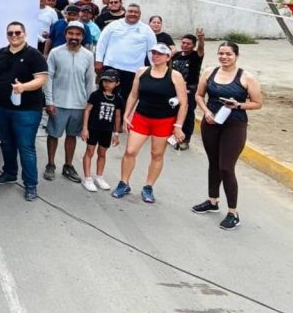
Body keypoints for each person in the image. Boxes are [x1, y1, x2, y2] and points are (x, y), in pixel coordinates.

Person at [192, 42, 263, 231]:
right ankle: (212, 201)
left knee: (226, 167)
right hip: (212, 122)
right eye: (221, 53)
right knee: (213, 163)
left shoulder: (246, 77)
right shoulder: (209, 72)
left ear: (236, 56)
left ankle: (233, 212)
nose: (224, 57)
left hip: (234, 125)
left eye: (228, 54)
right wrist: (206, 112)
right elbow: (199, 95)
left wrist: (238, 105)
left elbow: (257, 103)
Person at [111, 43, 187, 204]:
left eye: (159, 54)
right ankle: (124, 183)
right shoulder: (142, 71)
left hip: (164, 120)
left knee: (156, 154)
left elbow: (183, 103)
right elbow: (133, 95)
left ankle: (148, 186)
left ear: (168, 57)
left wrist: (178, 126)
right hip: (142, 117)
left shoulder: (175, 76)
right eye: (153, 53)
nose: (155, 56)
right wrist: (127, 114)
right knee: (130, 151)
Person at [0, 21, 48, 201]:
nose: (14, 35)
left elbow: (41, 79)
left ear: (24, 34)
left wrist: (24, 87)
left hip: (27, 110)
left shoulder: (34, 55)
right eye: (10, 33)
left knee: (26, 147)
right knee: (6, 142)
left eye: (17, 32)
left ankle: (30, 184)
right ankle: (9, 173)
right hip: (1, 107)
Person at [43, 21, 95, 183]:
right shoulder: (55, 53)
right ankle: (50, 164)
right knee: (53, 135)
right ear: (65, 34)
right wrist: (49, 101)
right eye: (71, 34)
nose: (74, 37)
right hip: (57, 103)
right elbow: (48, 78)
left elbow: (89, 81)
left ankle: (68, 165)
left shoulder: (88, 55)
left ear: (82, 36)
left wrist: (89, 105)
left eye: (78, 34)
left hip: (79, 104)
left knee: (72, 136)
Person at [94, 3, 157, 96]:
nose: (133, 14)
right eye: (130, 11)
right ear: (125, 12)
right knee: (104, 96)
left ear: (140, 14)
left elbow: (152, 50)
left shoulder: (147, 30)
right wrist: (98, 60)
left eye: (136, 12)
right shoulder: (113, 25)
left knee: (127, 98)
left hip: (133, 71)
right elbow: (101, 43)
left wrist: (155, 68)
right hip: (111, 66)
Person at [79, 70, 123, 193]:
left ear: (117, 83)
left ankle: (99, 177)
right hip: (93, 128)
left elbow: (117, 116)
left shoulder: (118, 99)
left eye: (111, 81)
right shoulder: (96, 95)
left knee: (102, 153)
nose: (107, 84)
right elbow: (87, 110)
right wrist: (85, 128)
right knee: (90, 151)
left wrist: (116, 133)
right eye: (105, 81)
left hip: (107, 130)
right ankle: (87, 178)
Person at [170, 30, 206, 149]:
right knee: (174, 111)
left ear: (193, 45)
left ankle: (185, 139)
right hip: (174, 88)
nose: (185, 45)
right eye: (183, 43)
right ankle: (174, 136)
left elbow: (201, 49)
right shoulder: (176, 55)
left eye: (188, 44)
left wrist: (201, 39)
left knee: (188, 113)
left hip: (190, 89)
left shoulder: (196, 55)